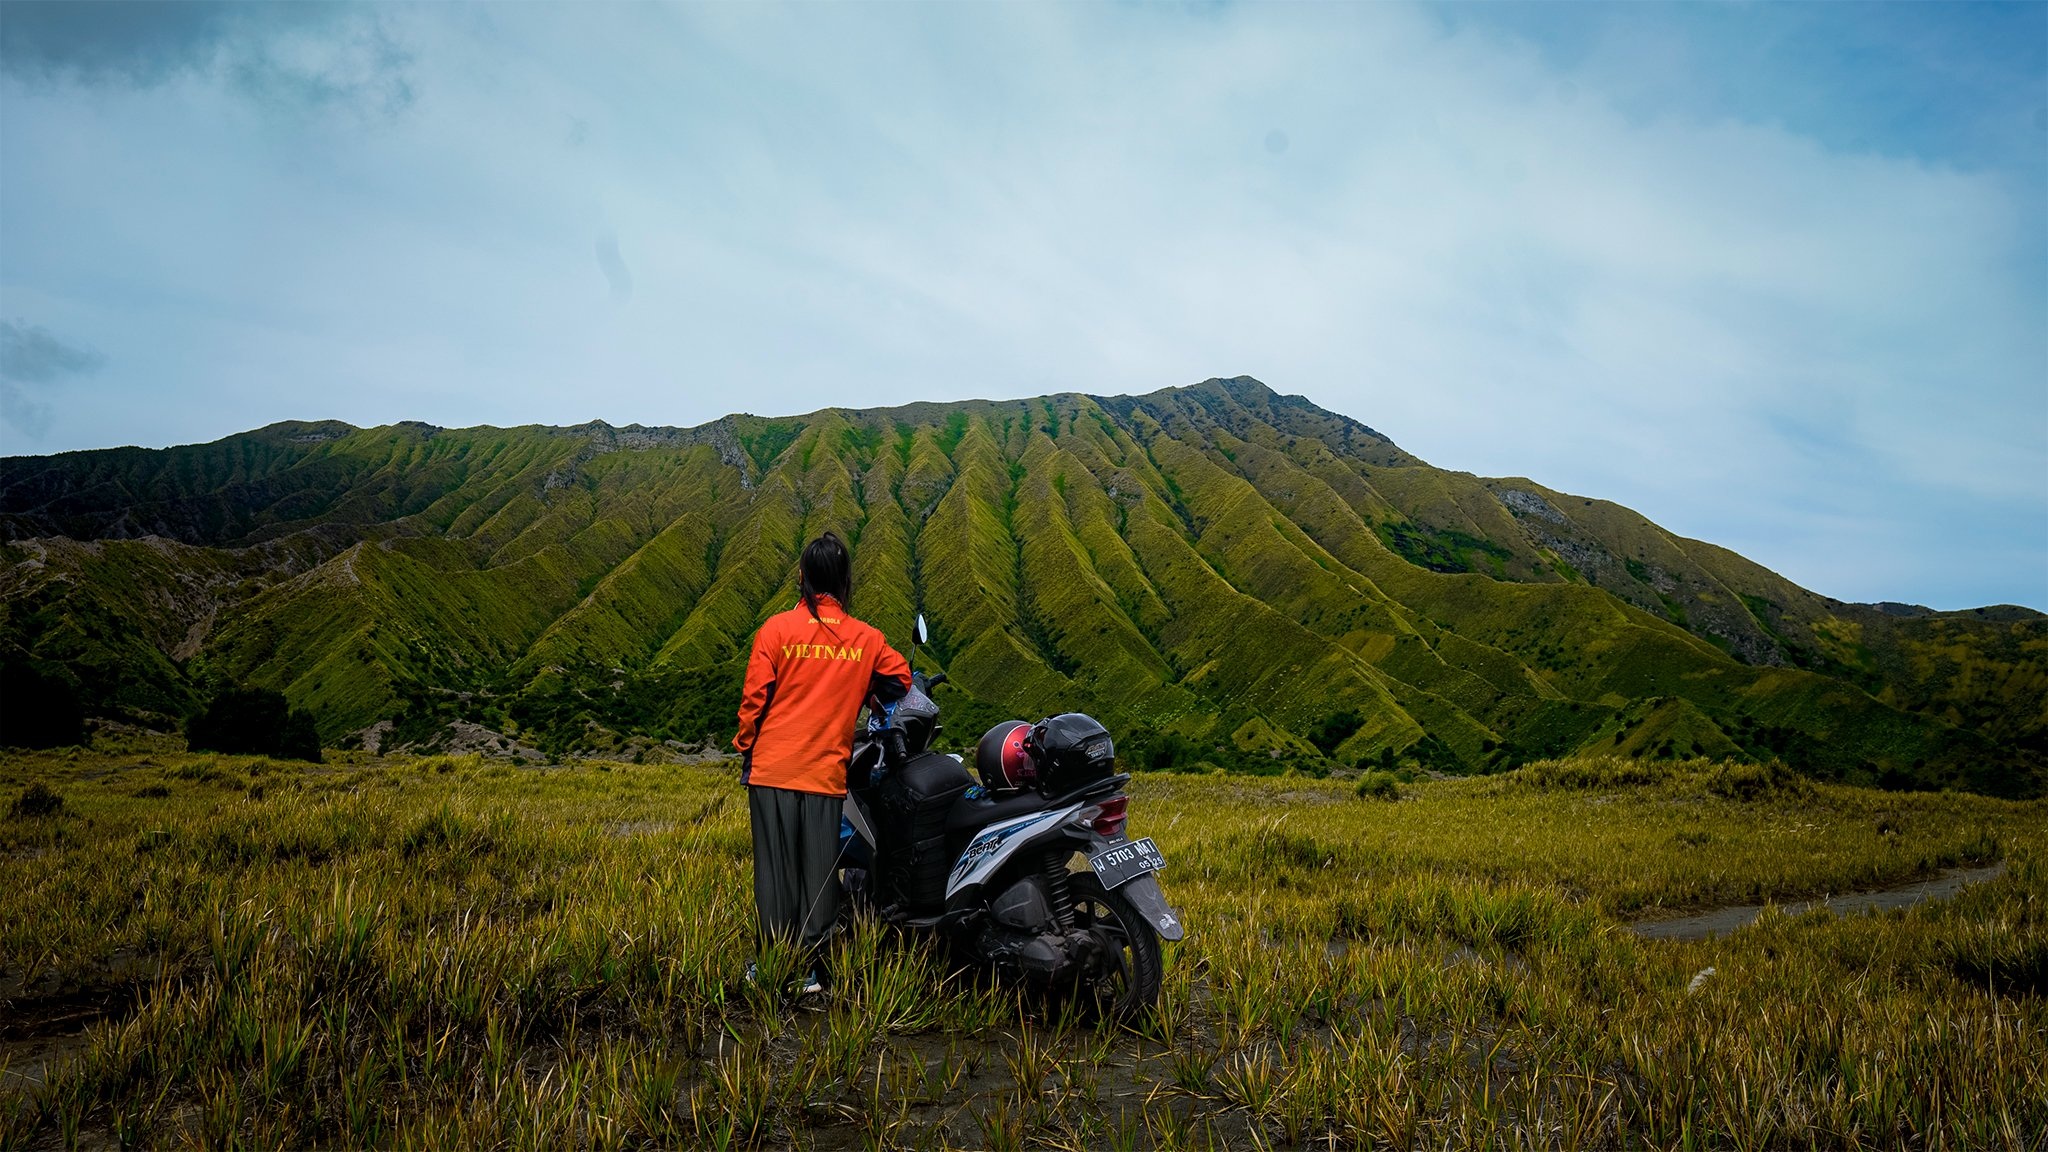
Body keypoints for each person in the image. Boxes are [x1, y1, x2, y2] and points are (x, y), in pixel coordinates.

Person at [732, 530, 911, 994]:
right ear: (846, 580)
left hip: (772, 768)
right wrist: (866, 691)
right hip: (825, 772)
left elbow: (755, 699)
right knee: (819, 872)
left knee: (775, 870)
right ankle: (814, 972)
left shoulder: (775, 630)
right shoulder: (866, 639)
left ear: (803, 578)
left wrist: (745, 745)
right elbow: (901, 679)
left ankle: (772, 968)